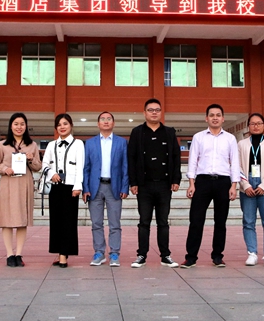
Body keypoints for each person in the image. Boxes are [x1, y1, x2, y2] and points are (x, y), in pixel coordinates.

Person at [181, 104, 240, 269]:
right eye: (212, 115)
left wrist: (234, 185)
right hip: (202, 181)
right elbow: (193, 160)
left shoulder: (230, 139)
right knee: (196, 220)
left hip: (223, 182)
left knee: (220, 221)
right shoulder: (198, 137)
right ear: (206, 118)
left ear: (223, 118)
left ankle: (218, 256)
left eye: (218, 115)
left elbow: (235, 162)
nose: (215, 118)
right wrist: (191, 183)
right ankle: (191, 257)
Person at [128, 98, 181, 268]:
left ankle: (165, 255)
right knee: (144, 222)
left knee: (163, 222)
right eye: (150, 110)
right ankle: (141, 255)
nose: (154, 113)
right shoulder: (137, 132)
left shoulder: (169, 132)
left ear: (161, 112)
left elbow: (176, 157)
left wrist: (176, 179)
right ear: (144, 113)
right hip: (144, 185)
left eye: (157, 110)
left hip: (164, 184)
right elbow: (131, 158)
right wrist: (133, 182)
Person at [0, 113, 42, 267]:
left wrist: (31, 159)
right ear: (11, 126)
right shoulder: (2, 145)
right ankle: (9, 254)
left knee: (21, 220)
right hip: (8, 183)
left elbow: (38, 167)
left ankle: (19, 254)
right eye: (16, 124)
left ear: (26, 126)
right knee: (6, 220)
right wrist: (5, 169)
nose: (19, 127)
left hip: (24, 184)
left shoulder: (32, 145)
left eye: (22, 124)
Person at [82, 112, 129, 267]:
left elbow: (125, 166)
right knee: (96, 223)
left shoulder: (121, 142)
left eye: (109, 119)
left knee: (115, 223)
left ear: (113, 123)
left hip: (114, 187)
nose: (106, 121)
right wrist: (85, 188)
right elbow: (86, 168)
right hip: (95, 187)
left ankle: (114, 253)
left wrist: (125, 186)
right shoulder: (90, 143)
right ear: (98, 124)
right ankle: (99, 252)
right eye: (103, 119)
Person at [42, 113, 85, 268]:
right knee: (56, 221)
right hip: (55, 186)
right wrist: (51, 173)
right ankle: (60, 252)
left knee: (69, 221)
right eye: (59, 124)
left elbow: (80, 166)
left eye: (65, 123)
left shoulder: (78, 144)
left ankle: (63, 256)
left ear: (71, 125)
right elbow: (45, 164)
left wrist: (78, 186)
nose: (62, 127)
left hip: (70, 187)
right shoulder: (51, 145)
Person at [238, 113, 264, 267]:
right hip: (247, 185)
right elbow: (237, 166)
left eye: (259, 123)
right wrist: (246, 185)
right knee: (248, 222)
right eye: (253, 123)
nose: (256, 126)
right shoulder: (241, 144)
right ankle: (252, 253)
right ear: (248, 126)